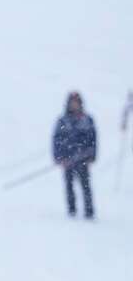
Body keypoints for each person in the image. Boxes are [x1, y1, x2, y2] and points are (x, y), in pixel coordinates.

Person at [52, 91, 96, 219]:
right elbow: (56, 140)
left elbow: (93, 139)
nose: (74, 105)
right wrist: (59, 158)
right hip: (68, 160)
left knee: (86, 186)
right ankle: (72, 211)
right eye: (72, 103)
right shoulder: (63, 121)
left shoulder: (87, 120)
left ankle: (89, 212)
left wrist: (91, 156)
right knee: (69, 186)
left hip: (83, 159)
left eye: (76, 103)